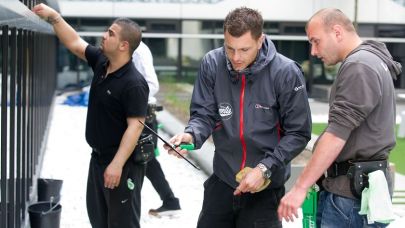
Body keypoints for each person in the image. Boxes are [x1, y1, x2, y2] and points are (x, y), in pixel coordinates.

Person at [164, 7, 312, 228]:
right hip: (222, 181)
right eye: (229, 48)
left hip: (265, 188)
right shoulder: (211, 64)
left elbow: (299, 132)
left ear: (260, 40)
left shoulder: (286, 72)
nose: (235, 57)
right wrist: (191, 135)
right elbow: (204, 114)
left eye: (244, 49)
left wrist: (264, 168)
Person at [278, 8, 402, 228]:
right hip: (360, 192)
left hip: (349, 200)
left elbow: (337, 135)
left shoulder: (359, 66)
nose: (314, 51)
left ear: (337, 32)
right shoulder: (371, 60)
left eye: (316, 41)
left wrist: (300, 187)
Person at [33, 4, 149, 228]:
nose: (104, 35)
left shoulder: (133, 83)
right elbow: (76, 44)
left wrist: (116, 165)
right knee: (98, 219)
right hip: (97, 159)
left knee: (122, 223)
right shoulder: (102, 63)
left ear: (124, 45)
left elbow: (135, 126)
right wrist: (54, 18)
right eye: (107, 30)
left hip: (121, 166)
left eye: (111, 34)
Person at [132, 41, 181, 216]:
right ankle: (170, 201)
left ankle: (169, 201)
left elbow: (152, 85)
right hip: (141, 113)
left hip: (142, 113)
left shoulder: (137, 50)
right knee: (147, 161)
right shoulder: (135, 48)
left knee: (142, 160)